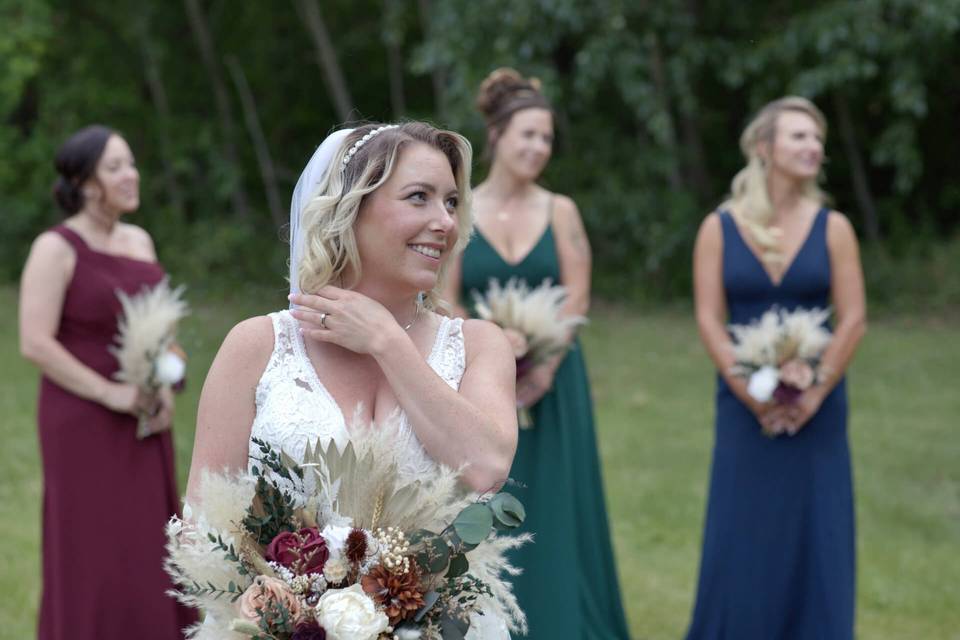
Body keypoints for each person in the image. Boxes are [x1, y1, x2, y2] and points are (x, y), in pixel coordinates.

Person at [184, 122, 519, 636]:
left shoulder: (478, 345)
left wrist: (387, 342)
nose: (444, 222)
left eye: (451, 202)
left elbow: (488, 467)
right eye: (419, 198)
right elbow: (201, 528)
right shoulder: (257, 347)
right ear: (350, 208)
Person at [441, 68, 630, 639]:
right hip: (477, 382)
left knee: (555, 503)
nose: (537, 148)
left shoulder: (561, 211)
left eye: (546, 138)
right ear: (495, 135)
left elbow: (576, 294)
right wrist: (493, 350)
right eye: (527, 134)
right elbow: (444, 298)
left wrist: (543, 363)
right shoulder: (459, 208)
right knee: (484, 499)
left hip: (552, 386)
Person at [687, 96, 867, 639]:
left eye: (817, 139)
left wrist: (813, 390)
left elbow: (854, 318)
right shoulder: (719, 227)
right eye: (799, 137)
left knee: (820, 531)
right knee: (743, 531)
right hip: (744, 407)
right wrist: (750, 393)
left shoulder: (833, 226)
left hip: (820, 407)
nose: (814, 147)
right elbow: (709, 319)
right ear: (764, 148)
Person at [18, 125, 195, 639]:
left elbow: (166, 331)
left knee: (148, 544)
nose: (130, 175)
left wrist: (166, 384)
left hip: (146, 420)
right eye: (115, 166)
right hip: (83, 420)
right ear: (85, 181)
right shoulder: (56, 248)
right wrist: (110, 393)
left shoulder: (140, 241)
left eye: (132, 163)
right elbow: (35, 341)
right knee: (95, 548)